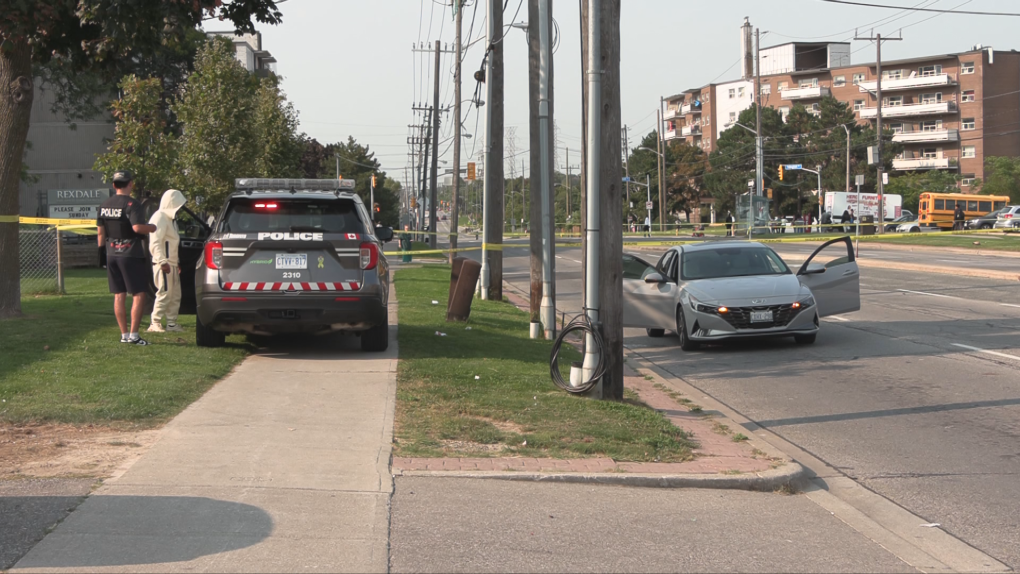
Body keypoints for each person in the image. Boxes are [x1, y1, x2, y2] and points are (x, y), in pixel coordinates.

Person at [97, 171, 156, 345]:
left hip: (111, 254)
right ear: (130, 184)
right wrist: (152, 227)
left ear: (114, 185)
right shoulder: (133, 204)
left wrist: (102, 257)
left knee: (119, 295)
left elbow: (101, 234)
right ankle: (134, 335)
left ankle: (124, 335)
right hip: (130, 254)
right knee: (138, 293)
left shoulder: (104, 205)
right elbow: (137, 228)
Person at [147, 189, 187, 333]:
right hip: (163, 264)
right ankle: (155, 322)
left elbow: (172, 242)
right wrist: (162, 261)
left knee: (175, 295)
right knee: (164, 293)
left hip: (172, 264)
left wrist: (176, 262)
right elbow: (155, 242)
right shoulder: (159, 217)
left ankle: (171, 323)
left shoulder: (170, 220)